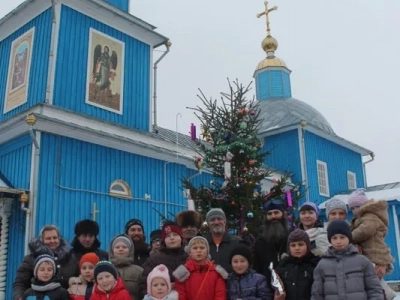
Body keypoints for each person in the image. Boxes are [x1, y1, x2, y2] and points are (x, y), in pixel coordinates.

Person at [311, 220, 383, 300]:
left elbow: (374, 290)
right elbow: (317, 294)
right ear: (330, 240)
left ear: (349, 238)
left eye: (342, 237)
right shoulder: (322, 265)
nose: (338, 241)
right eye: (334, 238)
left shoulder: (362, 261)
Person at [13, 225, 76, 300]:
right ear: (42, 240)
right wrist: (19, 296)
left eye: (55, 238)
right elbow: (20, 282)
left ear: (59, 239)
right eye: (48, 238)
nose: (52, 241)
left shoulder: (70, 258)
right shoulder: (30, 259)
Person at [139, 222, 188, 296]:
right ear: (164, 240)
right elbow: (144, 285)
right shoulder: (154, 260)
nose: (172, 238)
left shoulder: (189, 258)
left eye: (175, 235)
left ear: (181, 238)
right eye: (168, 236)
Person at [253, 199, 290, 291]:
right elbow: (256, 270)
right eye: (269, 214)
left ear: (283, 215)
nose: (273, 216)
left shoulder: (292, 239)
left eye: (276, 212)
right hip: (267, 291)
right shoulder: (260, 243)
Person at [276, 229, 320, 300]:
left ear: (307, 246)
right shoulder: (283, 266)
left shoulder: (315, 265)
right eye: (293, 245)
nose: (297, 248)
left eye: (300, 244)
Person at [203, 208, 246, 272]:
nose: (216, 222)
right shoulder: (203, 243)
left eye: (219, 219)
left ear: (224, 221)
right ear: (208, 224)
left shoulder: (237, 242)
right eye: (212, 220)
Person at [109, 234, 143, 299]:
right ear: (112, 250)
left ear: (130, 250)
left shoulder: (139, 271)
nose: (121, 249)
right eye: (117, 247)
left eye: (124, 247)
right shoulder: (106, 269)